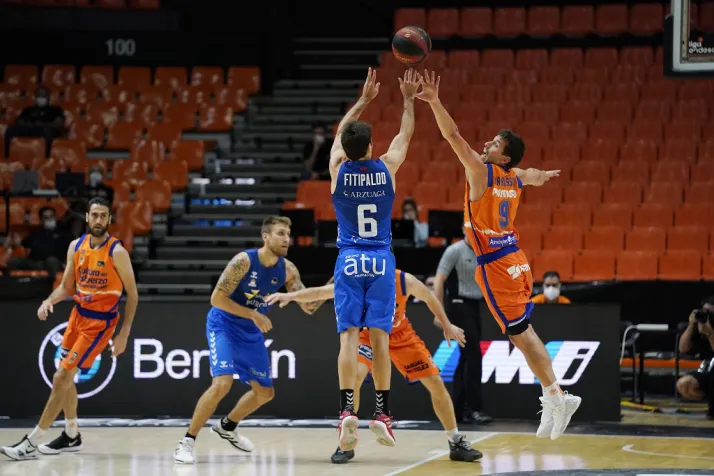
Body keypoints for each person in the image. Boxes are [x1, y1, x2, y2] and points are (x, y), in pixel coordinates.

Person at [416, 70, 580, 440]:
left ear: (501, 156)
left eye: (494, 144)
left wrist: (435, 101)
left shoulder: (481, 172)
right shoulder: (515, 176)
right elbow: (533, 175)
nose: (487, 145)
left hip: (496, 266)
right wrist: (542, 174)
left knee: (522, 335)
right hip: (516, 259)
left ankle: (558, 395)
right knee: (522, 334)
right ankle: (553, 394)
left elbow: (453, 136)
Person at [266, 269, 482, 463]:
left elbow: (429, 297)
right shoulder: (358, 281)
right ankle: (346, 442)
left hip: (400, 335)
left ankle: (455, 440)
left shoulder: (403, 280)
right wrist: (291, 296)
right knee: (355, 377)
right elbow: (322, 292)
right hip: (368, 336)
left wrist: (446, 324)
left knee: (435, 382)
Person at [173, 216, 329, 464]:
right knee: (222, 383)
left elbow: (309, 307)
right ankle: (187, 441)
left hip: (250, 331)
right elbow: (217, 299)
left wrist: (337, 283)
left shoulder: (288, 270)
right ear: (265, 237)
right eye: (280, 233)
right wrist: (253, 314)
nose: (286, 239)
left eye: (288, 234)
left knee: (265, 393)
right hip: (223, 324)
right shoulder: (243, 261)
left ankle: (227, 426)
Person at [0, 197, 138, 460]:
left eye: (103, 215)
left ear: (109, 219)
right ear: (86, 217)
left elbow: (133, 294)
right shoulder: (76, 246)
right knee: (61, 379)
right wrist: (48, 301)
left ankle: (31, 442)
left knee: (62, 377)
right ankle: (72, 435)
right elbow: (66, 287)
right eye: (94, 215)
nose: (98, 220)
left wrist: (124, 334)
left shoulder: (117, 252)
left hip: (99, 323)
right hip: (77, 317)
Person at [328, 67, 420, 451]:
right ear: (370, 147)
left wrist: (363, 101)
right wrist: (408, 99)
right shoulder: (387, 167)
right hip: (381, 259)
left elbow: (339, 134)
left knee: (349, 338)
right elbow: (405, 135)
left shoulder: (337, 169)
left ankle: (346, 410)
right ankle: (382, 413)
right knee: (380, 339)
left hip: (349, 258)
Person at [433, 225, 491, 425]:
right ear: (464, 230)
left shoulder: (483, 251)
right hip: (457, 304)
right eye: (470, 229)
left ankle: (459, 410)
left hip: (474, 305)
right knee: (473, 355)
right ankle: (473, 409)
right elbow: (439, 280)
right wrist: (439, 312)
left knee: (468, 356)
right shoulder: (454, 251)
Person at [676, 296, 714, 419]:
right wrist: (691, 325)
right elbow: (683, 349)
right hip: (709, 371)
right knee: (684, 384)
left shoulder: (707, 330)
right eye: (705, 311)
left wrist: (710, 334)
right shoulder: (700, 326)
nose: (708, 315)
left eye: (711, 312)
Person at [3, 86, 65, 157]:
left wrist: (43, 124)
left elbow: (59, 124)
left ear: (48, 97)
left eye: (43, 95)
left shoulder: (56, 109)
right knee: (11, 129)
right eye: (39, 95)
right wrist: (28, 124)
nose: (41, 98)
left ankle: (47, 157)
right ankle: (7, 156)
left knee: (47, 131)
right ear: (35, 97)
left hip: (45, 130)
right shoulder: (28, 109)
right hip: (29, 129)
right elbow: (19, 121)